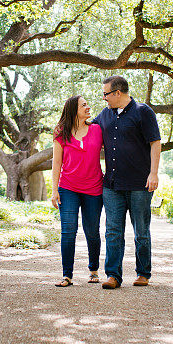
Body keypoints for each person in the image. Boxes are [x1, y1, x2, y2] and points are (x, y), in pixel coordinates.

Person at [94, 75, 161, 289]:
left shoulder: (143, 112)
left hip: (140, 184)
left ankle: (143, 273)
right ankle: (113, 275)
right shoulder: (104, 115)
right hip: (112, 185)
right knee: (113, 230)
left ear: (118, 93)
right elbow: (87, 130)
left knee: (141, 231)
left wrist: (154, 173)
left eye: (106, 94)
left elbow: (155, 142)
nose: (103, 98)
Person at [50, 95, 104, 287]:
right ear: (74, 109)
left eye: (87, 104)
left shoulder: (97, 130)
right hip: (68, 188)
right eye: (84, 105)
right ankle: (67, 275)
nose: (88, 107)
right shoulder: (60, 132)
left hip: (93, 188)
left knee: (92, 231)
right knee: (68, 231)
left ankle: (94, 270)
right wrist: (54, 189)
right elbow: (56, 163)